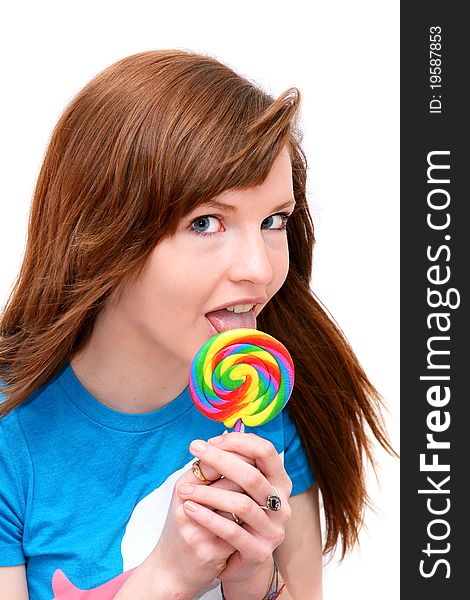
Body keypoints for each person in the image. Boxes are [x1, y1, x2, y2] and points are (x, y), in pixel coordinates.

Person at [0, 50, 393, 599]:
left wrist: (252, 575)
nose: (259, 269)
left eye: (273, 220)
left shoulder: (268, 403)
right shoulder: (12, 437)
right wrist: (170, 576)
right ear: (105, 235)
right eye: (206, 223)